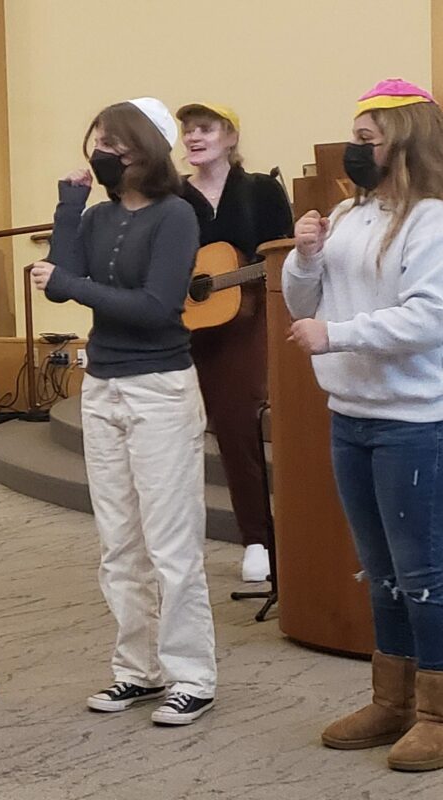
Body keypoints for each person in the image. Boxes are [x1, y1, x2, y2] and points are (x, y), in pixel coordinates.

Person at [30, 98, 216, 725]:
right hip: (103, 386)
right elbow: (61, 280)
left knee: (171, 543)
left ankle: (193, 675)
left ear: (147, 149)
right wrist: (66, 206)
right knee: (118, 544)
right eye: (98, 140)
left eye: (115, 141)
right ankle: (138, 671)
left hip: (159, 386)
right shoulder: (96, 217)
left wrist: (70, 281)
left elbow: (155, 306)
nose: (101, 151)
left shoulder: (176, 216)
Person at [284, 78, 443, 772]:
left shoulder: (432, 220)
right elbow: (301, 298)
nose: (353, 150)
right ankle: (394, 700)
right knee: (378, 572)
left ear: (403, 142)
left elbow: (428, 317)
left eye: (366, 140)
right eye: (354, 137)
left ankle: (437, 711)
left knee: (425, 575)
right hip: (350, 415)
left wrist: (338, 334)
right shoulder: (350, 214)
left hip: (413, 423)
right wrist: (306, 256)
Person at [177, 102, 294, 582]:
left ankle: (259, 540)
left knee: (238, 427)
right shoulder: (174, 198)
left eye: (204, 129)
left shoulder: (260, 191)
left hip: (245, 324)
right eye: (187, 131)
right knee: (175, 433)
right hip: (182, 326)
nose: (193, 137)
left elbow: (280, 257)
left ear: (229, 136)